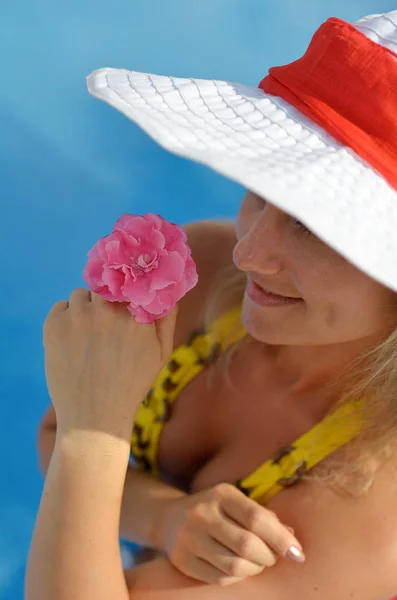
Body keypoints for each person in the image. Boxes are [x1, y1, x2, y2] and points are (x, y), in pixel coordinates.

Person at [27, 10, 397, 600]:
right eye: (263, 192)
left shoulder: (376, 511)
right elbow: (52, 433)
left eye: (314, 227)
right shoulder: (208, 265)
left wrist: (95, 431)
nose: (249, 253)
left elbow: (73, 436)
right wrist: (164, 518)